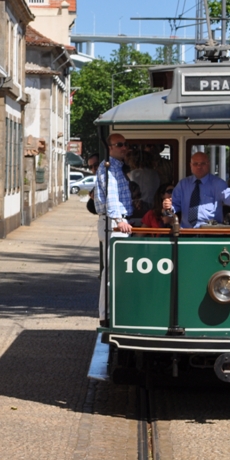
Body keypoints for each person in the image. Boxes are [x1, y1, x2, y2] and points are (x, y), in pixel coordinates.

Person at [96, 133, 134, 324]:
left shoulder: (117, 168)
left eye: (125, 145)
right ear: (109, 147)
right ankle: (107, 314)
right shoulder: (108, 168)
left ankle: (114, 310)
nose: (124, 148)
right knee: (111, 269)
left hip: (118, 222)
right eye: (119, 145)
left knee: (116, 268)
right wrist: (119, 220)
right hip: (114, 224)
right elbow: (112, 198)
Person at [162, 152, 230, 228]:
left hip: (209, 232)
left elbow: (229, 194)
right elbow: (174, 205)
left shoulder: (217, 183)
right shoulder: (183, 184)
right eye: (195, 164)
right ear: (191, 165)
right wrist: (168, 207)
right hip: (187, 232)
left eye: (202, 163)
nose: (199, 167)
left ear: (208, 164)